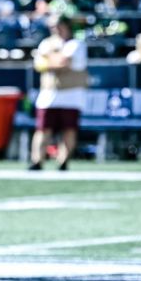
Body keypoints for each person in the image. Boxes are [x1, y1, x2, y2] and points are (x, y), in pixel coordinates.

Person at [30, 14, 88, 170]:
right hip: (49, 94)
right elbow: (39, 65)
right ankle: (37, 160)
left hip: (72, 94)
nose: (55, 29)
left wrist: (47, 59)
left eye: (58, 25)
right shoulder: (46, 43)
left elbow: (63, 63)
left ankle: (63, 161)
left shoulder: (76, 44)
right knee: (43, 129)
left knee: (69, 129)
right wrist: (51, 60)